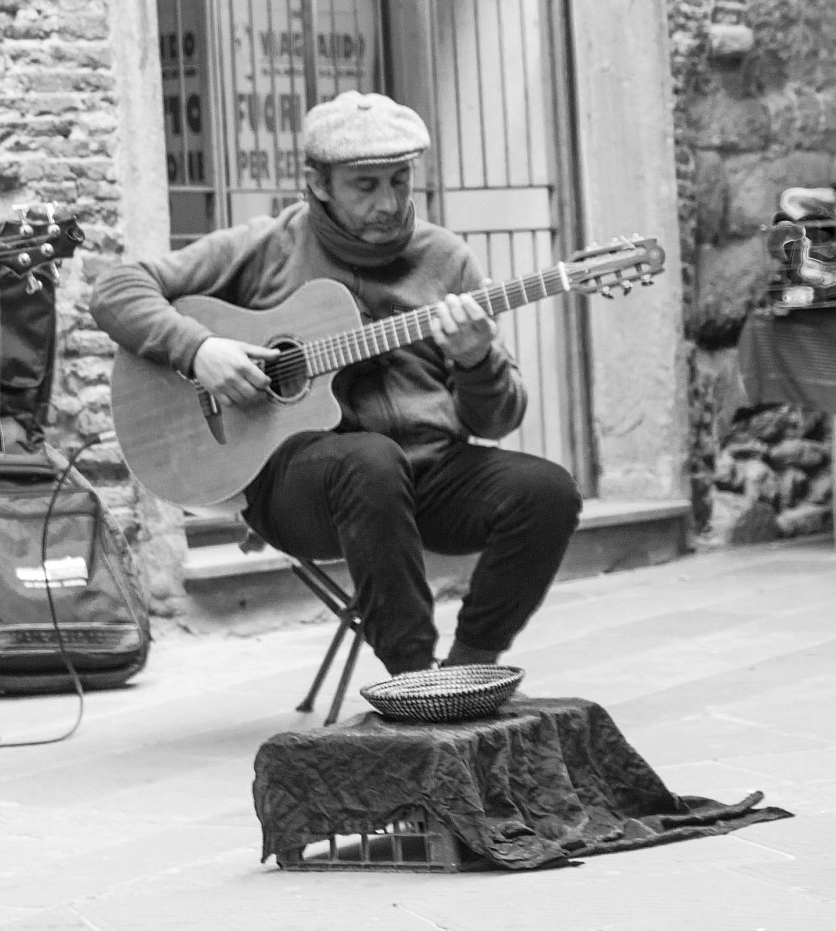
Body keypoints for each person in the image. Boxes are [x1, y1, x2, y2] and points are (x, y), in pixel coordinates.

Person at [90, 91, 582, 675]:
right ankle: (413, 680)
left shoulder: (446, 260)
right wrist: (198, 349)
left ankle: (468, 670)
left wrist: (478, 361)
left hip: (427, 475)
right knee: (368, 461)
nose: (389, 203)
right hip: (304, 491)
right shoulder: (268, 245)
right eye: (365, 186)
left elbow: (497, 420)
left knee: (547, 491)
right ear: (318, 184)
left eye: (400, 182)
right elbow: (117, 290)